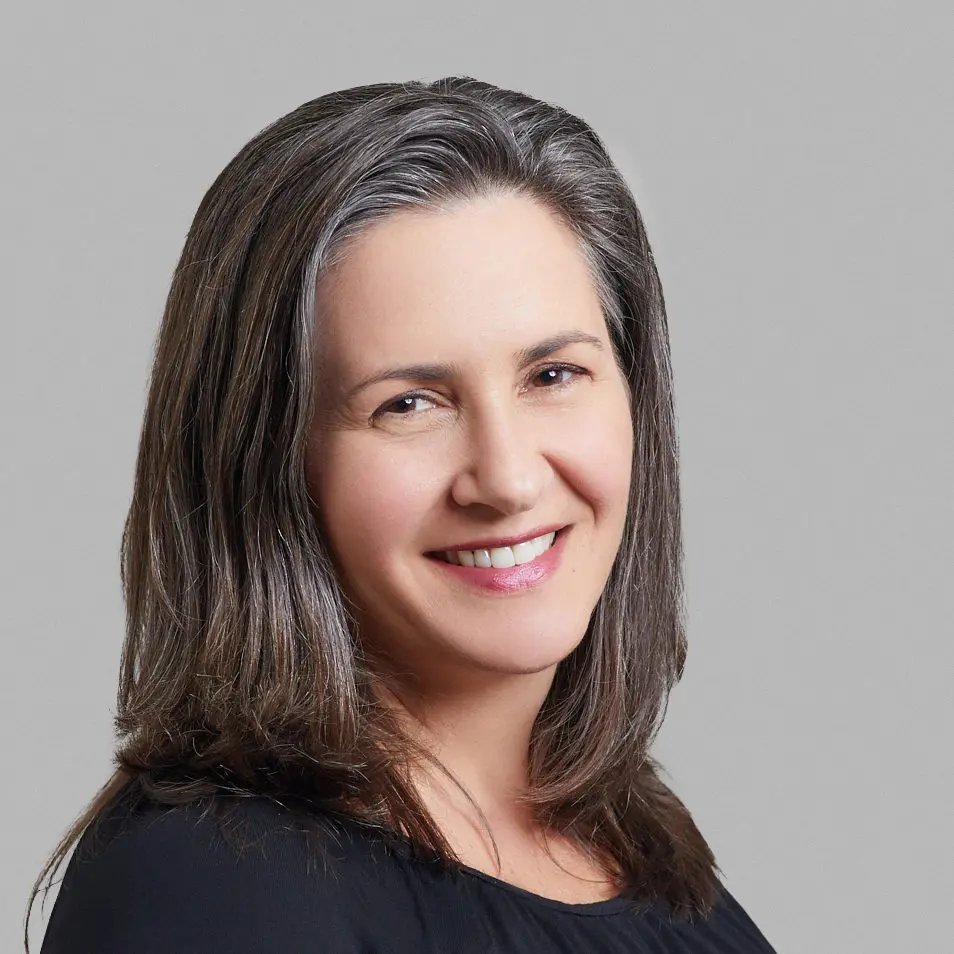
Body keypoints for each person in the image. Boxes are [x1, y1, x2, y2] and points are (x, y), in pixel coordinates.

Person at [29, 76, 776, 952]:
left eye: (552, 376)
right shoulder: (220, 890)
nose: (506, 478)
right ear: (267, 464)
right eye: (409, 404)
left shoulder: (650, 865)